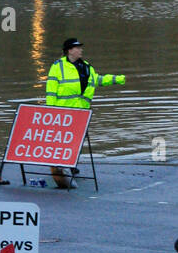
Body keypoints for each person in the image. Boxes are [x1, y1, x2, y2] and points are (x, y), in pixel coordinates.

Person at [45, 38, 126, 189]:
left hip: (81, 112)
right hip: (63, 111)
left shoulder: (86, 66)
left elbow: (98, 80)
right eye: (78, 48)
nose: (81, 50)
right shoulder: (58, 66)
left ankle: (70, 164)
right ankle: (61, 164)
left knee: (76, 140)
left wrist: (118, 79)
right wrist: (51, 111)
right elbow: (51, 89)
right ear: (70, 50)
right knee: (61, 139)